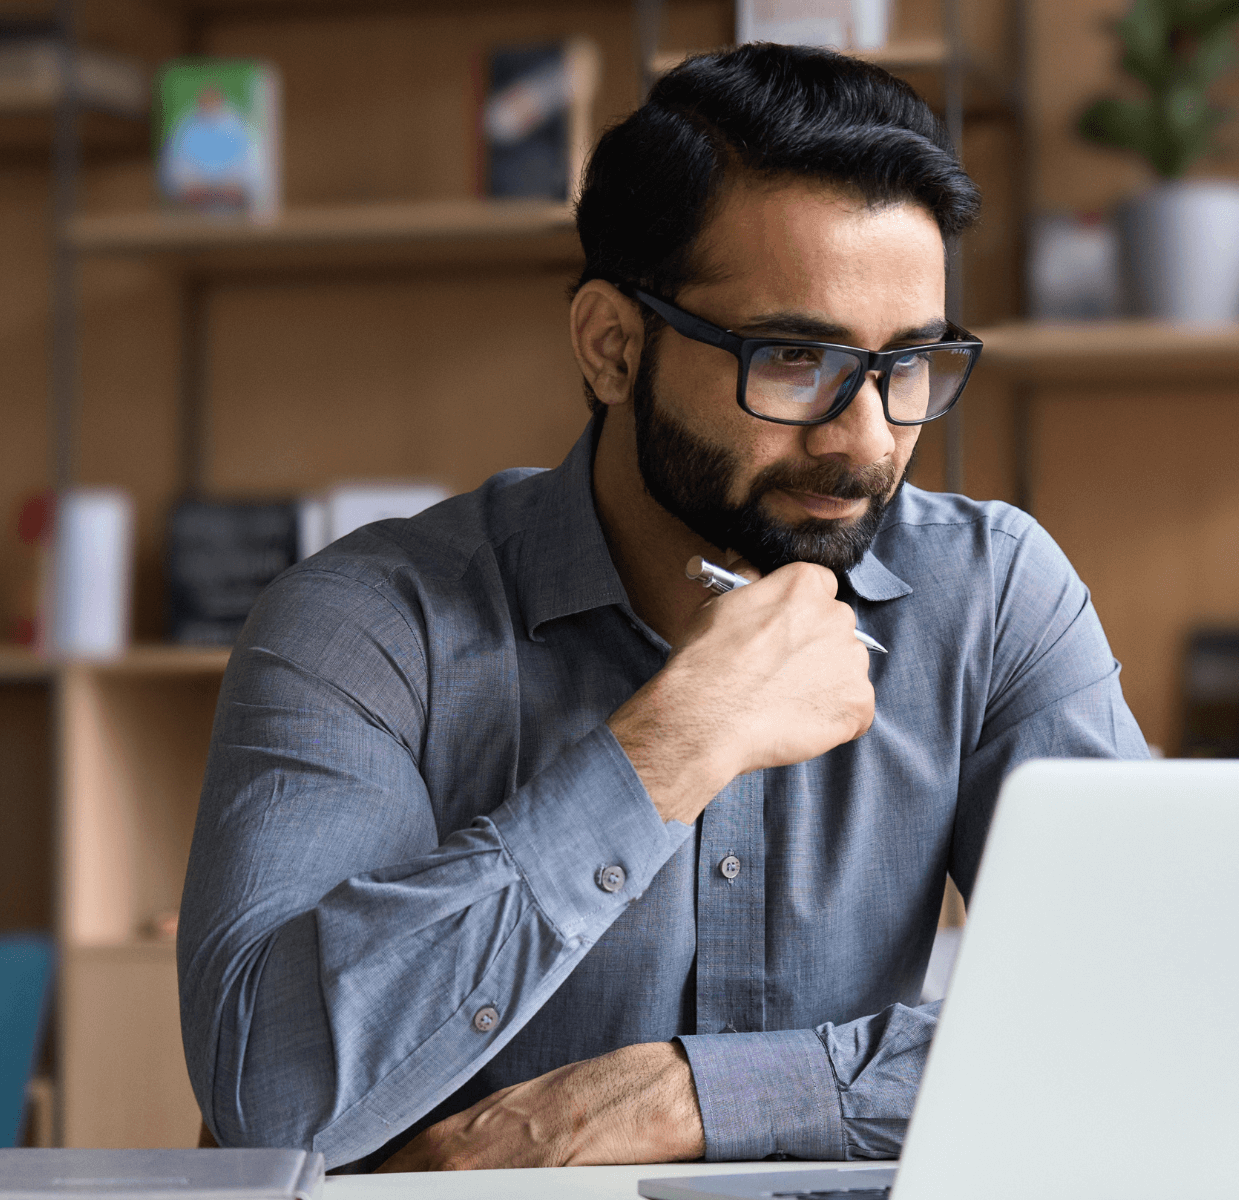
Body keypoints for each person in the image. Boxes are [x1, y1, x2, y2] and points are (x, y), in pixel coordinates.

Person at [178, 42, 1149, 1174]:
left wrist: (689, 1096)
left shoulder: (993, 597)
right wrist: (668, 748)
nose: (870, 440)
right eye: (795, 358)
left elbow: (1150, 1010)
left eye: (912, 364)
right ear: (611, 346)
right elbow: (271, 1101)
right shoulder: (364, 627)